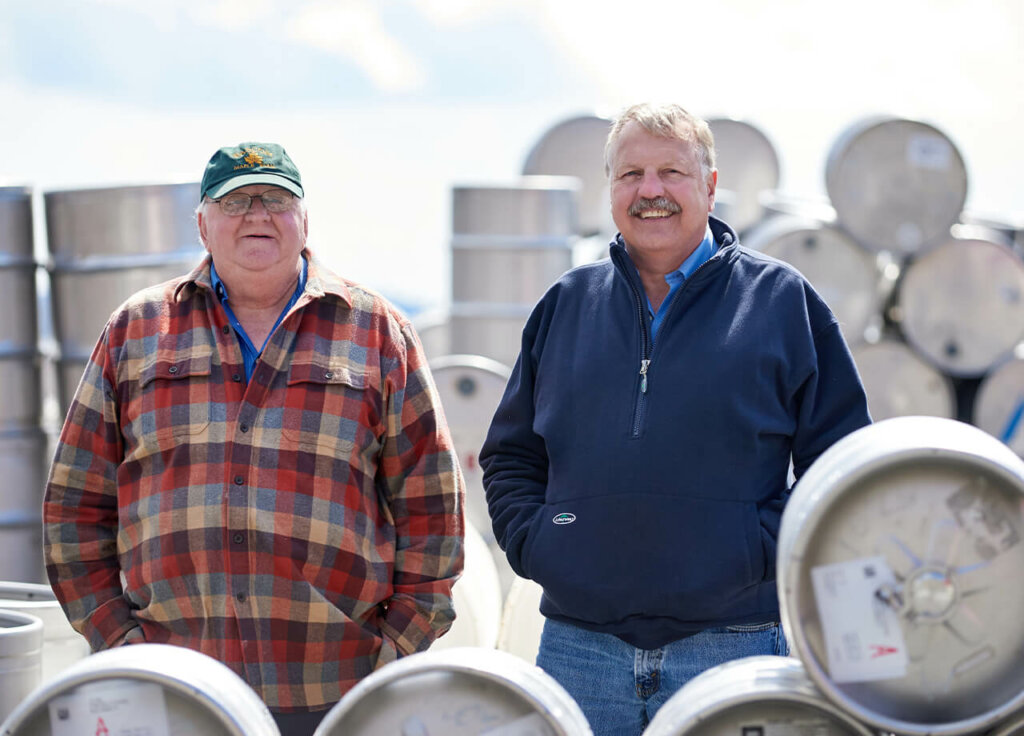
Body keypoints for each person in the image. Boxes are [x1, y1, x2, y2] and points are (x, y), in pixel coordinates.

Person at [43, 142, 465, 735]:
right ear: (202, 223)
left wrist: (392, 654)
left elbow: (433, 511)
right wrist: (118, 643)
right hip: (171, 689)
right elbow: (74, 506)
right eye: (235, 200)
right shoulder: (136, 331)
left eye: (275, 198)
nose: (257, 214)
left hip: (335, 692)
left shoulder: (377, 333)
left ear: (304, 219)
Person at [479, 104, 871, 735]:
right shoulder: (566, 305)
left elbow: (843, 467)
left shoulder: (781, 303)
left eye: (671, 172)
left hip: (732, 645)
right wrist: (542, 541)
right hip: (581, 653)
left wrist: (758, 549)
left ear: (710, 186)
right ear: (609, 189)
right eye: (630, 174)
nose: (651, 191)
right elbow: (511, 455)